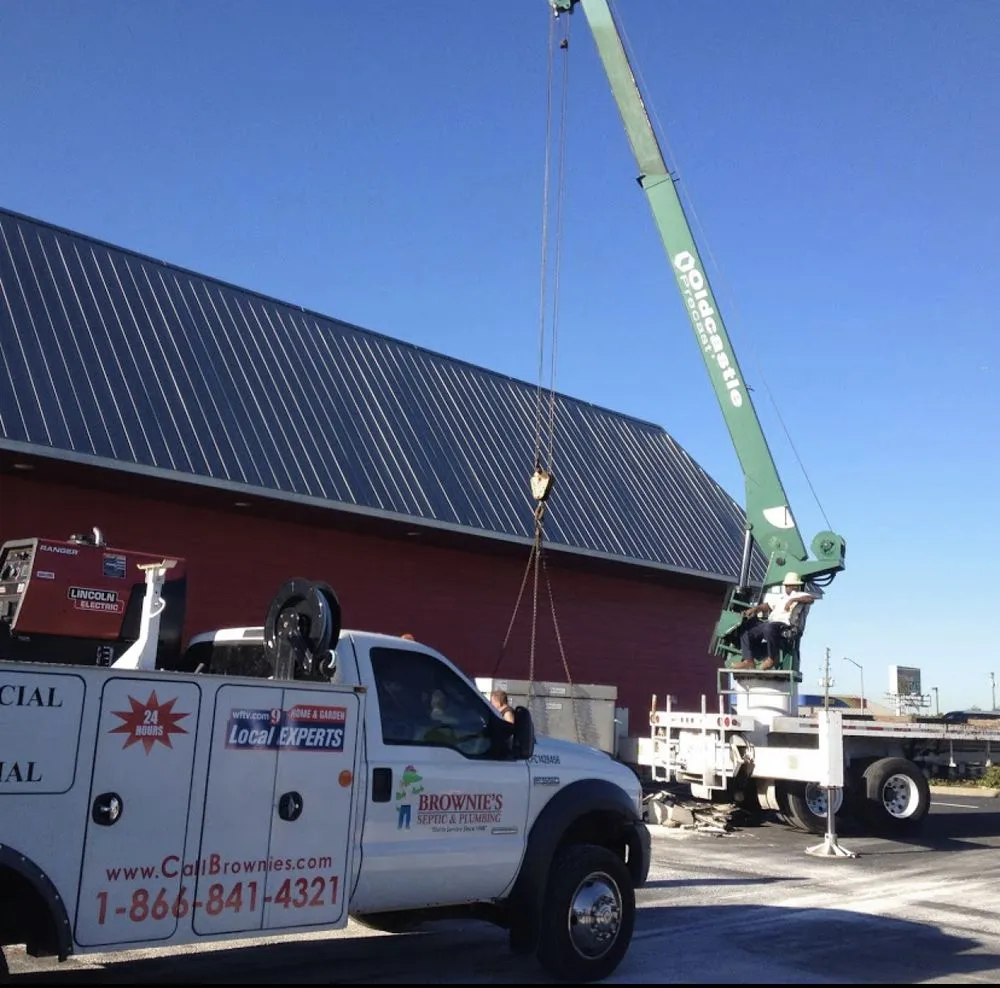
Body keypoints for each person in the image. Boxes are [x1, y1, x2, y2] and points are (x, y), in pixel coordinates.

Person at [733, 572, 818, 670]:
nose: (787, 588)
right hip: (772, 623)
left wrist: (793, 600)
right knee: (747, 631)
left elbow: (810, 599)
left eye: (788, 586)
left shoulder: (801, 594)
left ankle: (772, 658)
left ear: (795, 586)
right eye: (786, 586)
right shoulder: (782, 597)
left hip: (786, 625)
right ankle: (749, 661)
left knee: (769, 628)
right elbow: (767, 605)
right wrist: (755, 609)